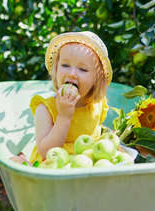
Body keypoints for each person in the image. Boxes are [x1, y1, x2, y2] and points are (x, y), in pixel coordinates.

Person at [11, 31, 112, 165]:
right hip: (54, 170)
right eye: (65, 65)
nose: (72, 74)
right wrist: (64, 116)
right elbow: (47, 153)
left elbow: (96, 134)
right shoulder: (46, 109)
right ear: (56, 70)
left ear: (96, 79)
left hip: (86, 168)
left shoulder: (97, 105)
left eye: (82, 69)